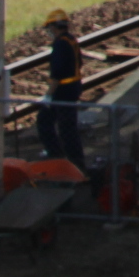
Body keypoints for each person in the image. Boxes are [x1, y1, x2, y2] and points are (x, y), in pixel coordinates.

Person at [37, 10, 86, 172]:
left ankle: (67, 159)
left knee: (55, 125)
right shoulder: (71, 40)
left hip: (63, 91)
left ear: (53, 26)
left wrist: (49, 95)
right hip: (73, 87)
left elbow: (56, 73)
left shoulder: (60, 44)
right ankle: (65, 157)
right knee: (64, 126)